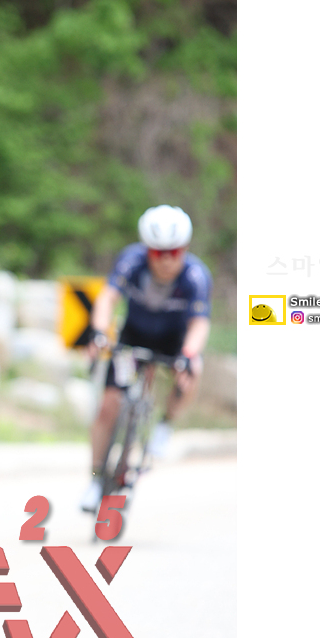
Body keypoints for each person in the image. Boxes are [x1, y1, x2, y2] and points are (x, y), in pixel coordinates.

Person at [78, 205, 211, 514]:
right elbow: (108, 297)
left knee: (194, 368)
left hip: (173, 341)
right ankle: (95, 479)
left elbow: (199, 323)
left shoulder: (196, 276)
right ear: (146, 250)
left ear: (184, 249)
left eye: (174, 252)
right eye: (158, 252)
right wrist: (98, 332)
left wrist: (189, 354)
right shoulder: (131, 261)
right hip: (133, 337)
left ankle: (166, 423)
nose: (166, 260)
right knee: (108, 405)